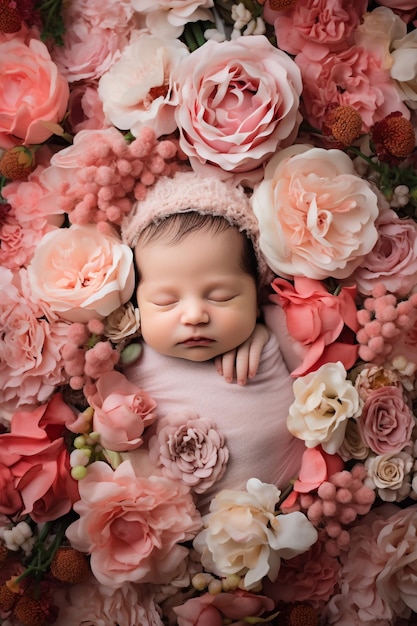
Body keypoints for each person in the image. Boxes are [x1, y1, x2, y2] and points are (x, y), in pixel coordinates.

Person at [121, 170, 305, 512]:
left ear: (256, 291)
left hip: (294, 510)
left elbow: (317, 373)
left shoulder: (269, 339)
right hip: (178, 536)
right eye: (165, 301)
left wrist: (262, 331)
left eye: (220, 297)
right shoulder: (127, 361)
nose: (194, 315)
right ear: (135, 303)